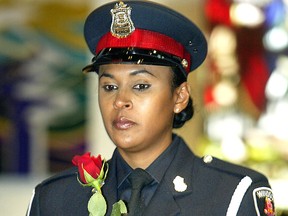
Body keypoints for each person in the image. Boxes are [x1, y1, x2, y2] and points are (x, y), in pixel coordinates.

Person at [27, 1, 276, 216]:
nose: (120, 101)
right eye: (110, 86)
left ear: (179, 97)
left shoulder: (230, 195)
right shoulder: (55, 199)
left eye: (141, 85)